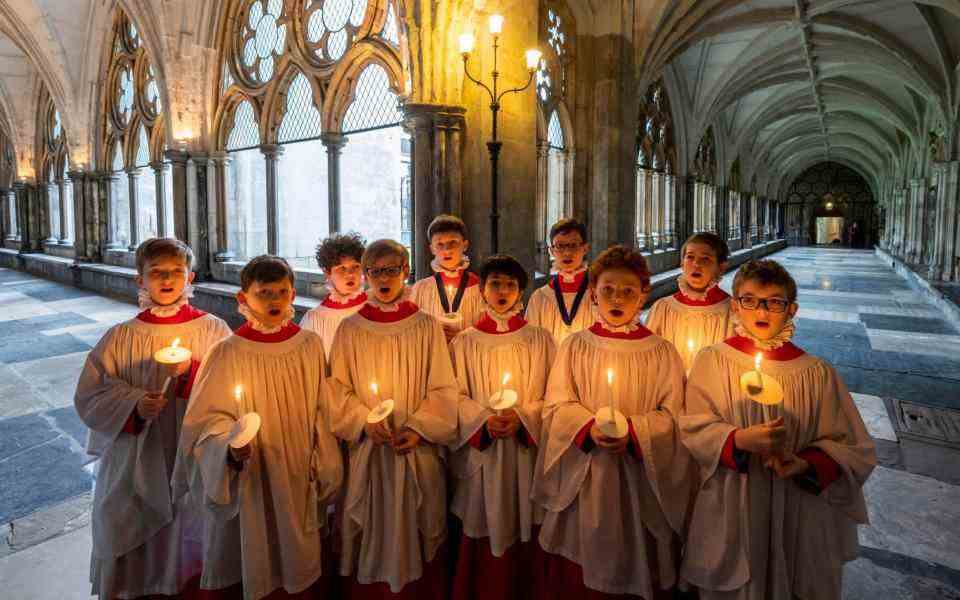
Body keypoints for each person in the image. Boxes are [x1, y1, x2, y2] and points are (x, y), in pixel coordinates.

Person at [680, 259, 877, 600]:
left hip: (798, 504)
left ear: (791, 310)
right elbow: (693, 425)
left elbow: (853, 447)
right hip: (735, 499)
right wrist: (738, 439)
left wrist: (807, 464)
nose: (762, 310)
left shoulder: (816, 372)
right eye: (750, 299)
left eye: (774, 302)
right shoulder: (712, 360)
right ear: (735, 306)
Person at [532, 245, 695, 599]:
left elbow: (674, 416)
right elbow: (557, 405)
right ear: (593, 294)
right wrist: (587, 427)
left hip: (639, 477)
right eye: (607, 290)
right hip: (586, 473)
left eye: (627, 291)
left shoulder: (662, 351)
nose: (616, 299)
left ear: (643, 296)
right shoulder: (575, 346)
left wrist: (635, 432)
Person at [178, 255, 343, 600]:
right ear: (243, 299)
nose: (274, 300)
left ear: (293, 294)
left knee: (297, 556)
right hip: (249, 474)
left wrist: (324, 459)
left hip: (297, 469)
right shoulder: (226, 352)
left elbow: (322, 410)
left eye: (281, 292)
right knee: (253, 547)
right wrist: (228, 447)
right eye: (264, 293)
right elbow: (206, 421)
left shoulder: (309, 346)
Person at [75, 238, 231, 599]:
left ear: (190, 277)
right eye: (156, 272)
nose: (167, 279)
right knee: (133, 521)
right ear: (139, 280)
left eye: (176, 271)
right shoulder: (121, 337)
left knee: (188, 523)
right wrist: (133, 405)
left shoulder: (213, 330)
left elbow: (234, 384)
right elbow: (89, 394)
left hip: (190, 449)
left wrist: (191, 373)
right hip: (137, 455)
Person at [328, 239, 458, 599]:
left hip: (414, 448)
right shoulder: (350, 328)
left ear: (405, 272)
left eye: (391, 270)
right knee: (373, 527)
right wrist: (363, 421)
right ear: (366, 275)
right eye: (375, 271)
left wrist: (419, 428)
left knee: (417, 528)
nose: (383, 278)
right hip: (372, 449)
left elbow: (443, 388)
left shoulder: (425, 326)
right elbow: (337, 389)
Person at [449, 255, 556, 600]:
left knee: (526, 513)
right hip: (485, 452)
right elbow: (452, 396)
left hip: (525, 450)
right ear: (482, 290)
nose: (502, 291)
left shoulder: (540, 339)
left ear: (521, 291)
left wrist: (524, 417)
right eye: (495, 283)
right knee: (484, 517)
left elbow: (555, 397)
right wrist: (482, 420)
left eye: (510, 284)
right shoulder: (464, 342)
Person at [645, 232, 734, 372]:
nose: (696, 264)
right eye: (690, 257)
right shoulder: (663, 308)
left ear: (721, 267)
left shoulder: (732, 311)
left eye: (705, 259)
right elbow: (649, 357)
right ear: (682, 263)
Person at [411, 214, 483, 342]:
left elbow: (488, 332)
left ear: (465, 245)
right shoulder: (421, 289)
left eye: (453, 242)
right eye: (439, 244)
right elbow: (411, 331)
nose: (447, 250)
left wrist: (463, 337)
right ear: (431, 249)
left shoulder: (480, 288)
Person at [300, 232, 367, 365]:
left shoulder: (373, 307)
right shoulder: (315, 319)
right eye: (342, 268)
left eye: (356, 266)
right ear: (328, 273)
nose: (350, 274)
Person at [526, 218, 596, 344]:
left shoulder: (597, 296)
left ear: (585, 248)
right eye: (560, 246)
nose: (567, 253)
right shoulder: (539, 299)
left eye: (573, 245)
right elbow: (531, 344)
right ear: (551, 251)